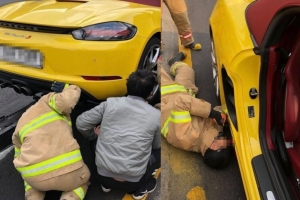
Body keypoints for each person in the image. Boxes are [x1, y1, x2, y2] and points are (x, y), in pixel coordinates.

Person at [76, 70, 161, 200]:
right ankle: (141, 189)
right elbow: (156, 145)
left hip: (102, 175)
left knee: (93, 135)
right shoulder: (156, 115)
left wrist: (95, 136)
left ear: (127, 87)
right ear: (150, 94)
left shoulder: (110, 104)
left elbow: (81, 123)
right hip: (133, 182)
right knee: (160, 150)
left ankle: (106, 185)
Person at [12, 82, 91, 200]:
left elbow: (18, 154)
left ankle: (33, 196)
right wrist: (69, 87)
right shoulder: (47, 100)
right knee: (84, 180)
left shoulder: (21, 122)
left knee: (29, 180)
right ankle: (70, 197)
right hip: (70, 173)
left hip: (36, 179)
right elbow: (67, 101)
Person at [160, 52, 232, 169]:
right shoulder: (213, 134)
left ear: (214, 147)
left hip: (166, 98)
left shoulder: (185, 137)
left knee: (155, 70)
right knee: (188, 71)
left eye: (224, 144)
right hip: (184, 93)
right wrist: (225, 116)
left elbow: (180, 102)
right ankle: (174, 63)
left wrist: (212, 113)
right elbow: (219, 111)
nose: (226, 141)